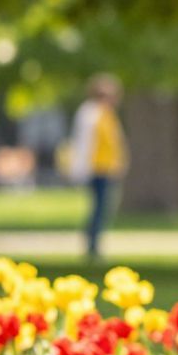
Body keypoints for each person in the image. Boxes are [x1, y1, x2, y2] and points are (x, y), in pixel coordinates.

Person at [68, 73, 128, 259]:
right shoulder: (91, 114)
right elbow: (84, 143)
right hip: (96, 168)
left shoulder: (107, 114)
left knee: (103, 207)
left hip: (107, 168)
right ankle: (92, 244)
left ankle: (94, 241)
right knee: (98, 207)